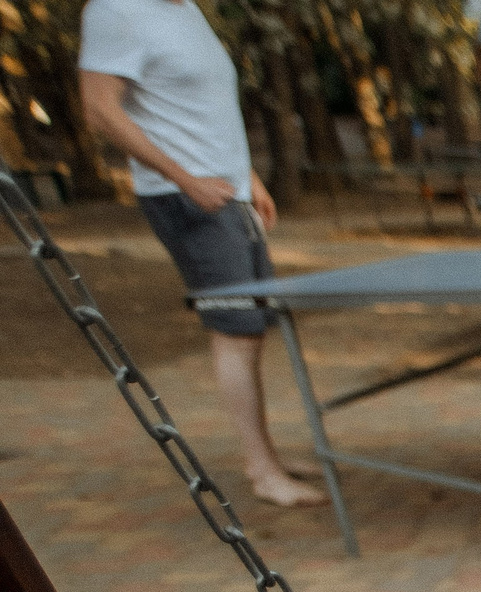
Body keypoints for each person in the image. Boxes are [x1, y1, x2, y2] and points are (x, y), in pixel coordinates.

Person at [78, 0, 322, 508]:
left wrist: (246, 177)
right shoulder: (115, 10)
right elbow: (99, 108)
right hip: (186, 199)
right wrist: (184, 179)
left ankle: (267, 456)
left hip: (226, 193)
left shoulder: (186, 9)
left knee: (252, 328)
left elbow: (206, 107)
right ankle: (262, 471)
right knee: (234, 332)